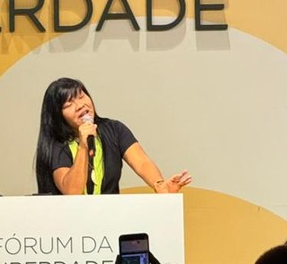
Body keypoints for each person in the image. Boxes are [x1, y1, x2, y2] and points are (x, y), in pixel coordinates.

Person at [34, 77, 191, 195]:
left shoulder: (114, 130)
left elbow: (141, 162)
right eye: (69, 104)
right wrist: (83, 145)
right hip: (70, 226)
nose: (80, 105)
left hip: (110, 219)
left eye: (81, 96)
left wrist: (159, 185)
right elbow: (71, 192)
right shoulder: (57, 143)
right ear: (57, 115)